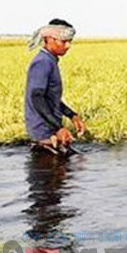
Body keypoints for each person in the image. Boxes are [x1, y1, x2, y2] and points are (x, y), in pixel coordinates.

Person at [25, 18, 85, 153]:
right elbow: (37, 98)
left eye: (70, 41)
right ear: (50, 39)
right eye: (64, 41)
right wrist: (58, 128)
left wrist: (72, 115)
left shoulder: (50, 61)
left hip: (49, 129)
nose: (68, 45)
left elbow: (50, 98)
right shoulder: (42, 63)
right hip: (44, 133)